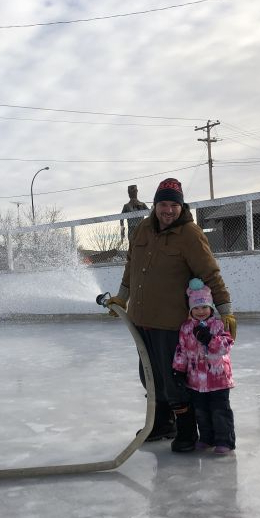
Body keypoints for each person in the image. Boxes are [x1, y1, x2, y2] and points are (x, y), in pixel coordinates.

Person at [100, 177, 236, 451]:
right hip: (141, 319)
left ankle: (186, 430)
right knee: (149, 376)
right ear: (155, 204)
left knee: (174, 379)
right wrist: (122, 299)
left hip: (171, 323)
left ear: (181, 205)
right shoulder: (142, 231)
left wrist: (226, 313)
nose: (168, 210)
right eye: (163, 204)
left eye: (174, 205)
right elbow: (131, 268)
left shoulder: (190, 234)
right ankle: (161, 423)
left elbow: (211, 274)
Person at [171, 278, 236, 454]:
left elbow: (226, 345)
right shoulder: (186, 328)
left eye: (204, 307)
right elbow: (182, 350)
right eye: (196, 308)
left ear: (211, 307)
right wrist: (178, 370)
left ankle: (224, 440)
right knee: (201, 412)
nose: (201, 311)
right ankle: (207, 438)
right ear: (191, 309)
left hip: (218, 379)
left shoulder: (218, 324)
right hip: (195, 381)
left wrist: (210, 339)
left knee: (219, 411)